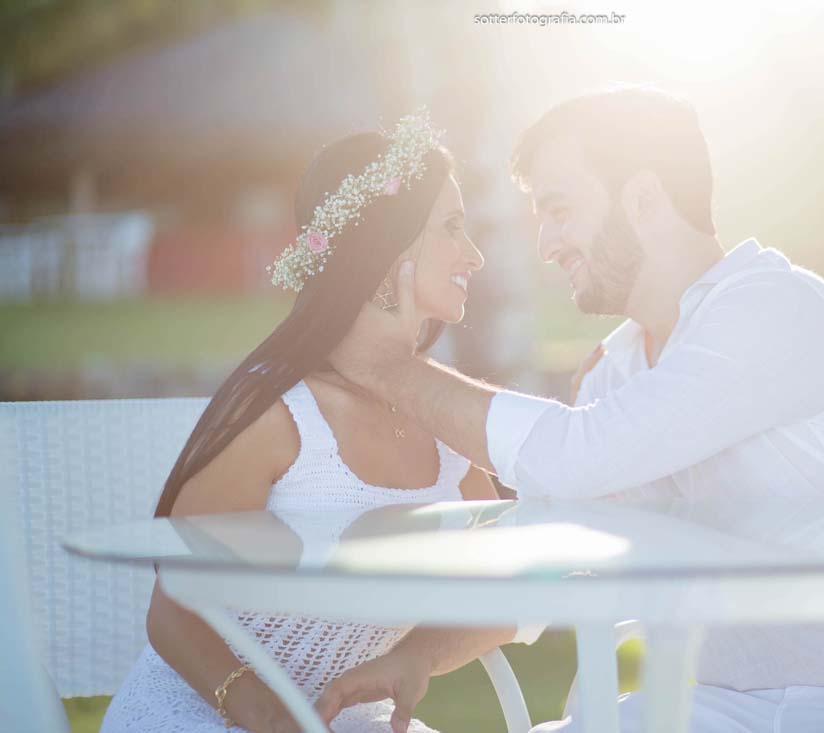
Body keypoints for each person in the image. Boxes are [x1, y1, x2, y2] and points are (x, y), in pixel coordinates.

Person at [322, 89, 824, 732]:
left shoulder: (775, 308)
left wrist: (387, 368)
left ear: (644, 198)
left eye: (560, 210)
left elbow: (573, 457)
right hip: (728, 707)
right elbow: (560, 559)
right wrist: (419, 655)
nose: (547, 245)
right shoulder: (617, 372)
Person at [101, 111, 538, 733]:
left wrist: (418, 656)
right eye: (451, 227)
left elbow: (507, 588)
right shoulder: (278, 415)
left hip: (347, 721)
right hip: (207, 715)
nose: (475, 254)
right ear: (389, 243)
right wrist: (272, 718)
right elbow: (174, 612)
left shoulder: (443, 420)